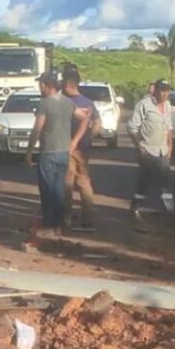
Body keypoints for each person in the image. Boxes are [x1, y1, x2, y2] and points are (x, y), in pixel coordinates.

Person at [26, 72, 83, 235]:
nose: (39, 87)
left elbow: (37, 128)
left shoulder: (44, 103)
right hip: (64, 152)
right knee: (59, 190)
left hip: (49, 152)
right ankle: (60, 224)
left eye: (40, 84)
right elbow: (84, 117)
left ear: (46, 85)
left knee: (47, 190)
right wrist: (75, 140)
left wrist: (29, 151)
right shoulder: (67, 102)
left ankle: (49, 225)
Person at [127, 79, 174, 218]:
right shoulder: (144, 105)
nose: (165, 94)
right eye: (162, 90)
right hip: (147, 150)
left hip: (163, 150)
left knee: (166, 182)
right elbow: (131, 127)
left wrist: (170, 145)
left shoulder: (167, 107)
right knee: (144, 182)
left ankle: (170, 212)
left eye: (167, 91)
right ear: (155, 91)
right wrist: (139, 146)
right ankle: (135, 208)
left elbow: (169, 127)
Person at [62, 69, 100, 230]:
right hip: (83, 147)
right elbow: (98, 122)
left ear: (68, 85)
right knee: (84, 182)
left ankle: (66, 217)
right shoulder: (88, 102)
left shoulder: (64, 102)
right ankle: (88, 218)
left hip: (68, 146)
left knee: (67, 183)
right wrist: (89, 138)